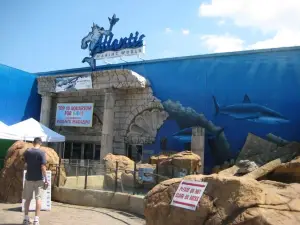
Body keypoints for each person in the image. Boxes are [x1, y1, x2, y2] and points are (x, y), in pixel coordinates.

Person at [22, 137, 48, 225]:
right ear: (40, 143)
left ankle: (26, 218)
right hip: (39, 179)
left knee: (27, 199)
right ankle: (36, 220)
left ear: (33, 143)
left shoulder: (27, 152)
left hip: (29, 178)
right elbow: (43, 167)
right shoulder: (42, 153)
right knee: (38, 199)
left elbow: (25, 164)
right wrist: (46, 179)